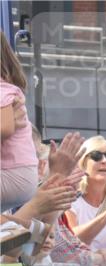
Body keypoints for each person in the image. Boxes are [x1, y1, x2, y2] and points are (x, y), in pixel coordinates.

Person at [1, 33, 39, 212]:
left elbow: (5, 127)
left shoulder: (2, 89)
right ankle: (30, 227)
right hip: (20, 175)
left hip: (13, 173)